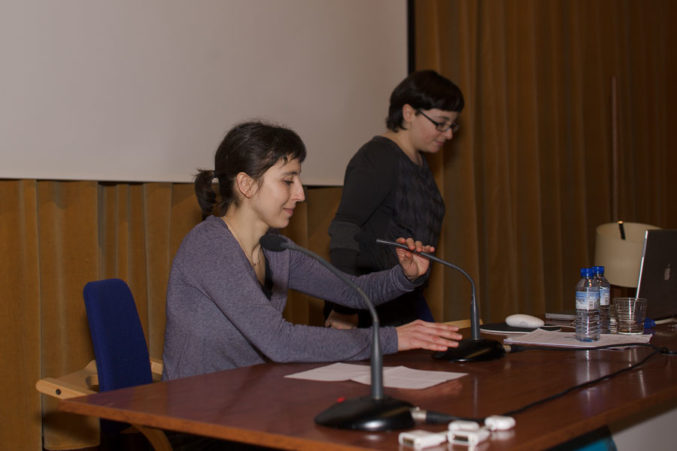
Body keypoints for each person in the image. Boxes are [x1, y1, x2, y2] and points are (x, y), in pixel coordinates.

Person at [161, 121, 462, 381]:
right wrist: (391, 338)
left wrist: (404, 276)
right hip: (197, 408)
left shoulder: (275, 248)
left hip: (253, 395)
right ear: (246, 184)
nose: (300, 194)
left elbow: (351, 292)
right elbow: (280, 341)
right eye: (288, 180)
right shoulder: (210, 246)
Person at [324, 70, 465, 329]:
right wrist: (345, 307)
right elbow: (344, 230)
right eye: (440, 123)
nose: (448, 135)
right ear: (409, 113)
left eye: (452, 125)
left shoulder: (419, 162)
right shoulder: (377, 157)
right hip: (367, 304)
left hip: (404, 301)